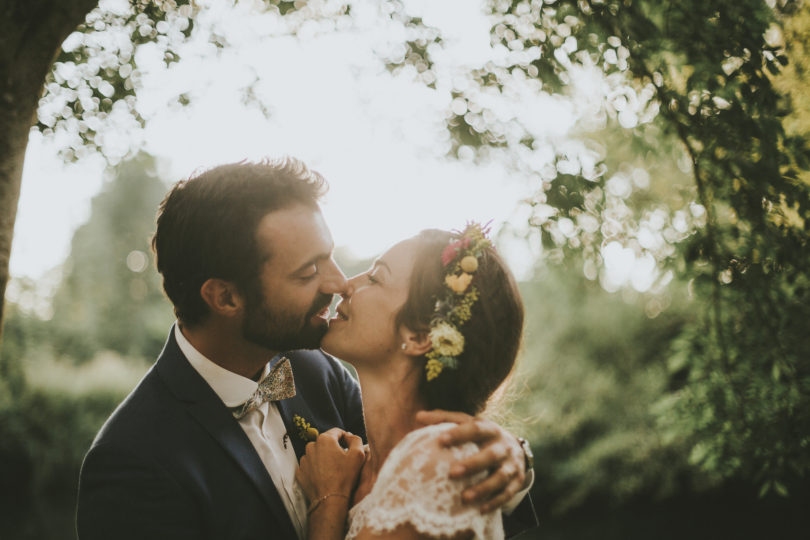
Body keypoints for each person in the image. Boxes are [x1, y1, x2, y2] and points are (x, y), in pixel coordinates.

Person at [75, 158, 537, 540]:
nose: (338, 283)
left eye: (329, 255)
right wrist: (328, 508)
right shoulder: (133, 463)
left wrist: (508, 459)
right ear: (226, 298)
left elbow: (425, 471)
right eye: (306, 273)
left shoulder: (320, 373)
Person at [295, 224, 527, 539]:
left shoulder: (438, 462)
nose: (345, 285)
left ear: (419, 336)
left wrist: (328, 504)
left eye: (375, 278)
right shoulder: (358, 467)